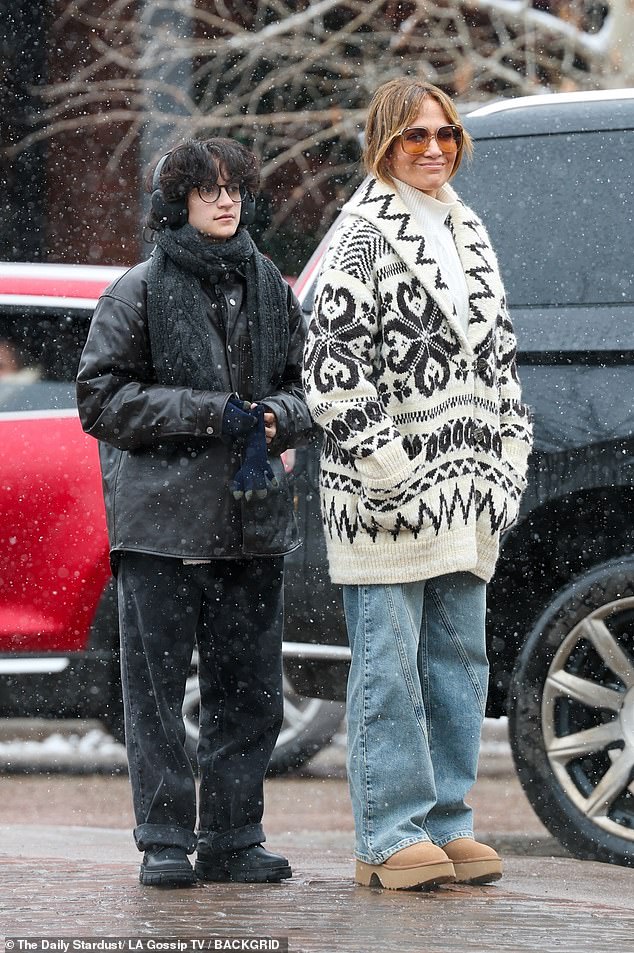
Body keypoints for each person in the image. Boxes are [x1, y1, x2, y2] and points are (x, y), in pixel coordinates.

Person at [303, 79, 533, 891]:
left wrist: (509, 460)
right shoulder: (360, 237)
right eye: (415, 137)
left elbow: (501, 361)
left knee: (457, 663)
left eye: (446, 135)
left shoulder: (470, 231)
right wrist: (394, 472)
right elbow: (331, 376)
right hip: (384, 503)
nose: (434, 149)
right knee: (390, 669)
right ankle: (387, 833)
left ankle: (444, 820)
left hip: (469, 499)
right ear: (384, 146)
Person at [77, 137, 313, 887]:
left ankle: (235, 837)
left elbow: (310, 388)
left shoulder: (271, 286)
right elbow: (101, 399)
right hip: (162, 530)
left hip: (252, 523)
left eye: (234, 187)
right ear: (176, 202)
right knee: (155, 696)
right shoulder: (137, 291)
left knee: (249, 693)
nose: (225, 200)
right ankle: (166, 840)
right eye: (207, 189)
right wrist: (212, 413)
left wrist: (276, 416)